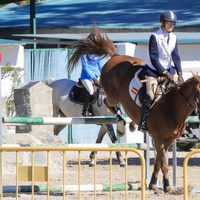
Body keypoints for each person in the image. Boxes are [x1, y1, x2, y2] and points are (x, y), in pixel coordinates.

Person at [138, 10, 184, 133]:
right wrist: (165, 73)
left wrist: (180, 74)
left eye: (173, 23)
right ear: (162, 23)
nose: (171, 25)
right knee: (151, 94)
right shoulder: (155, 36)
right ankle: (143, 122)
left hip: (170, 69)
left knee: (183, 91)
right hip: (154, 70)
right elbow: (154, 58)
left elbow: (176, 56)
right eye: (169, 23)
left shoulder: (174, 37)